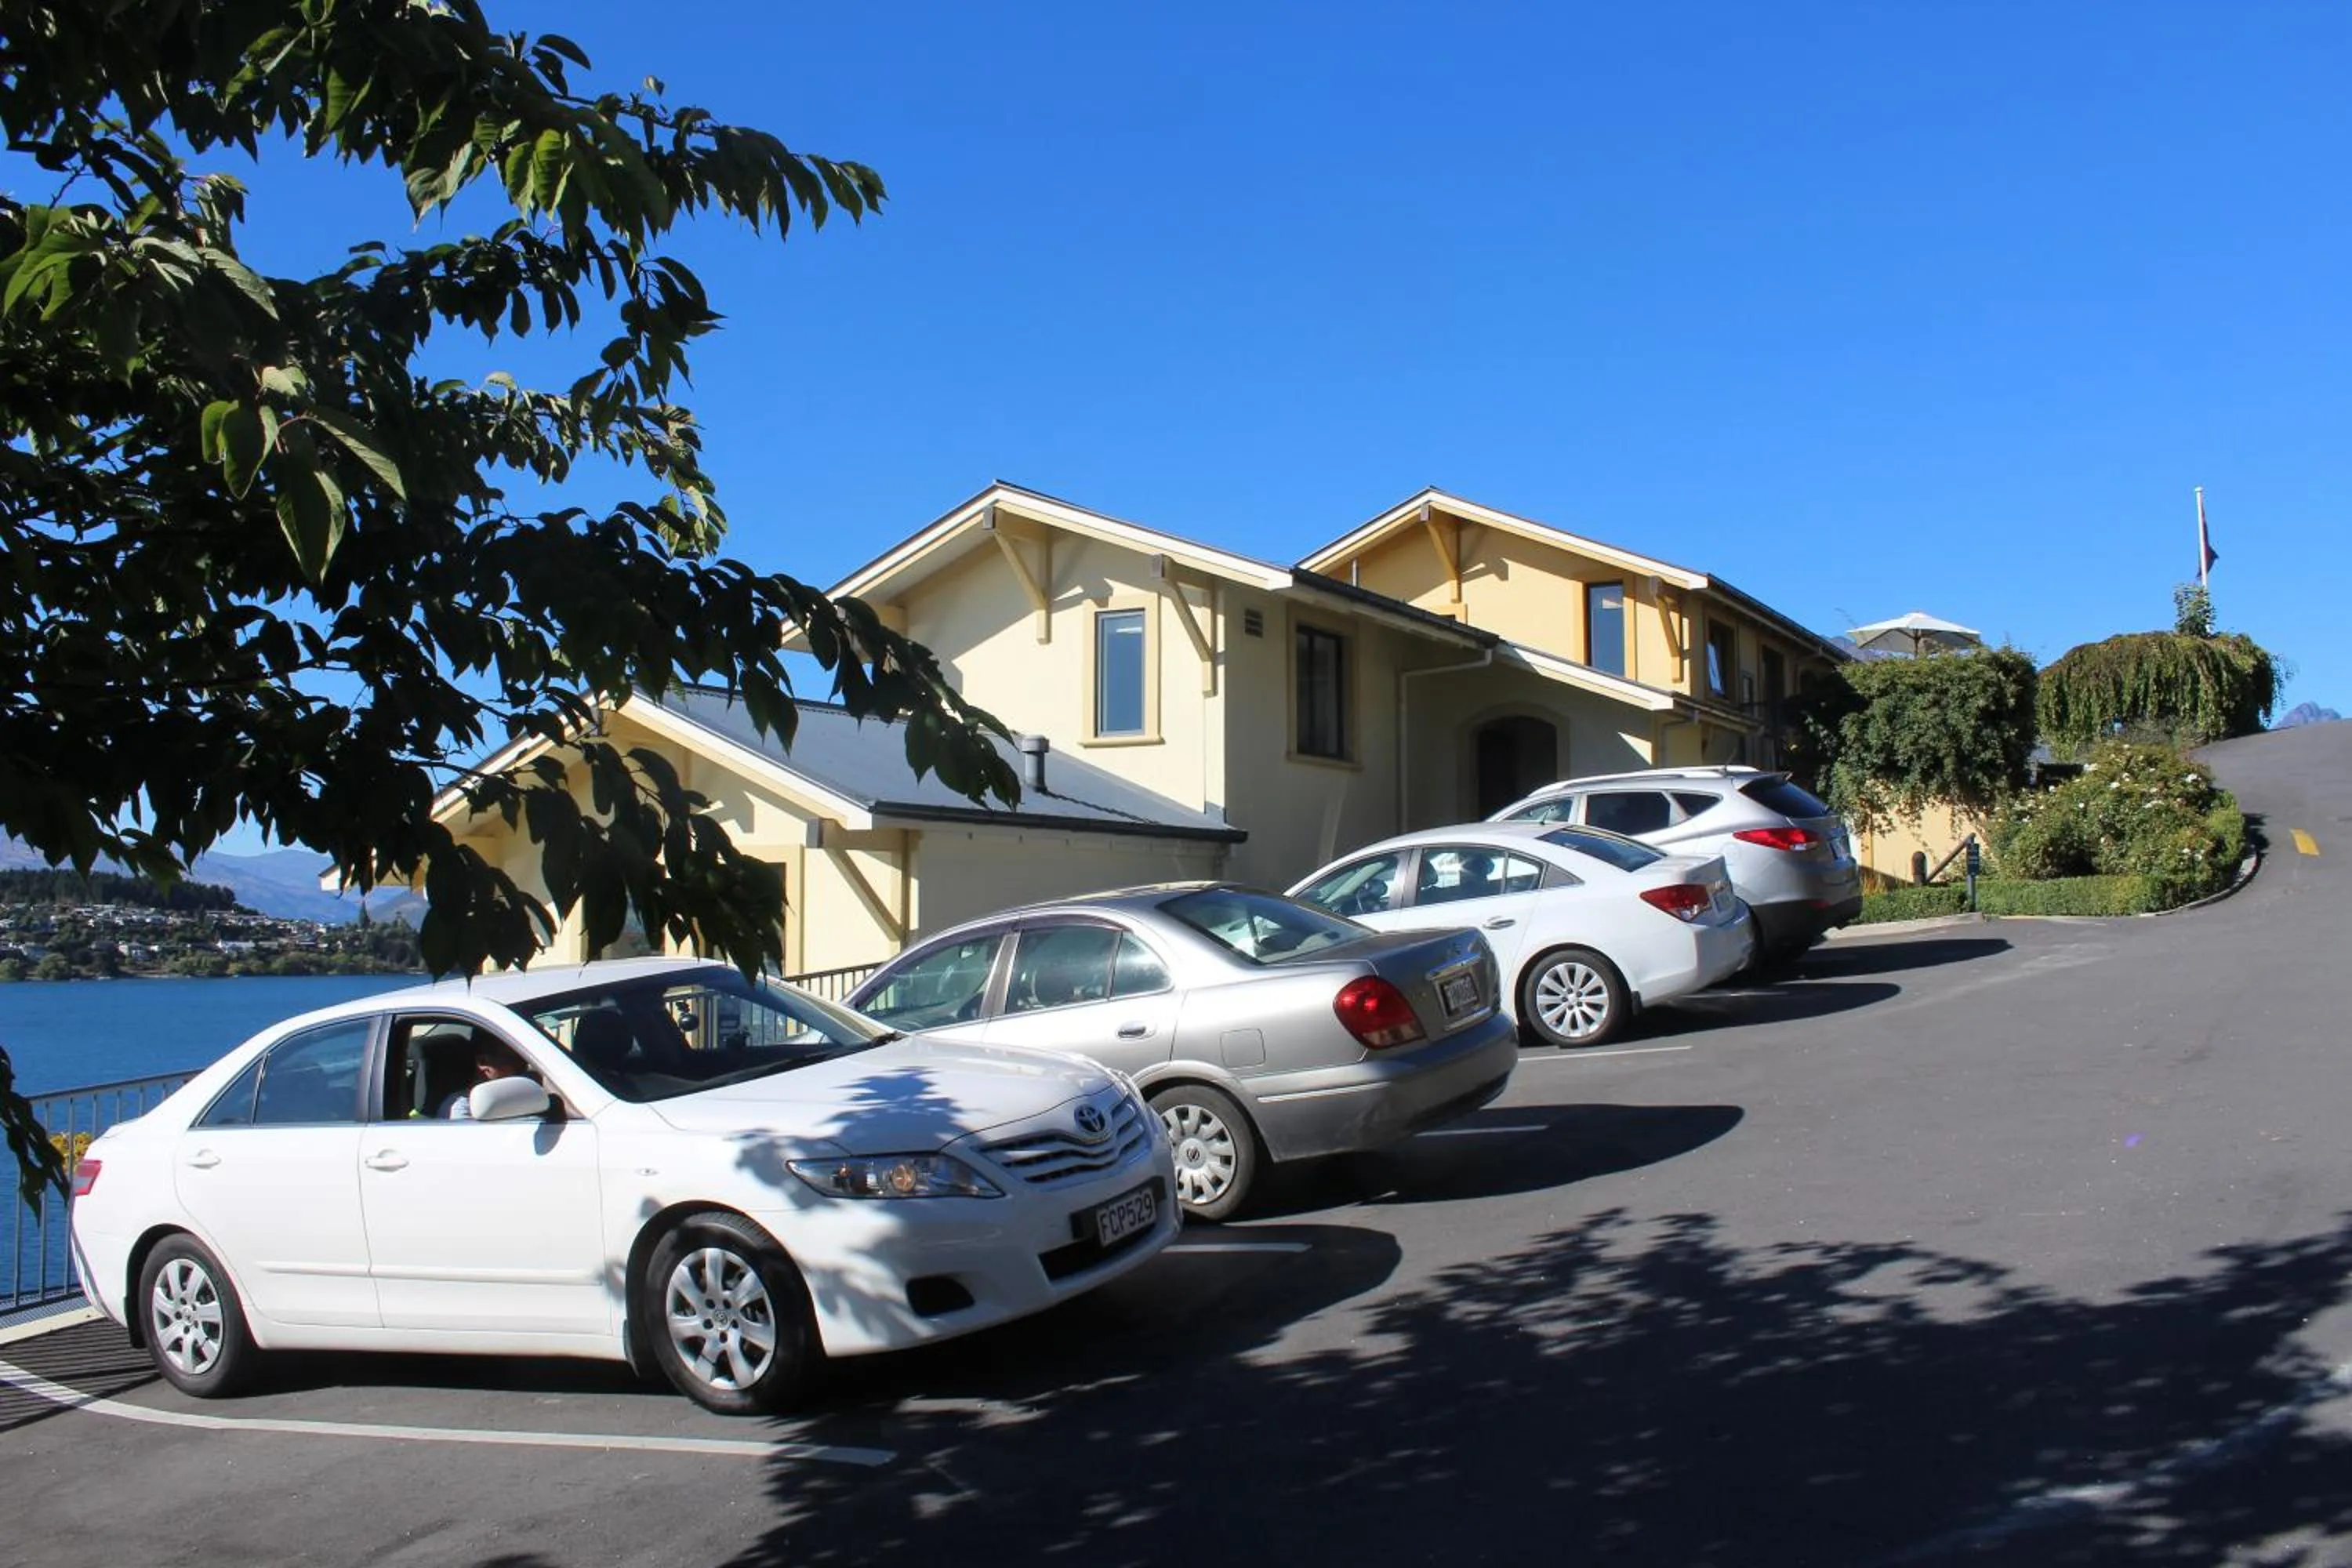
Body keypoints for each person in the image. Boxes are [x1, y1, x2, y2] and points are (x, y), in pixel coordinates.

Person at [441, 1038, 529, 1120]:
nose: (521, 1065)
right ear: (483, 1063)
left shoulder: (521, 1092)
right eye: (510, 1058)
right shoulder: (463, 1105)